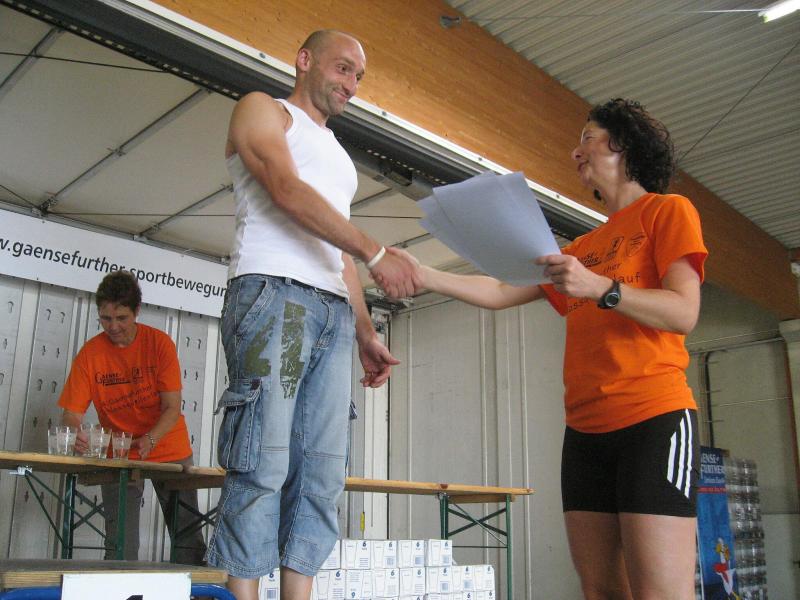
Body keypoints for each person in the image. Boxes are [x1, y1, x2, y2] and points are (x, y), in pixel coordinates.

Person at [392, 99, 707, 600]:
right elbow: (502, 290)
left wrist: (599, 287)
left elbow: (684, 311)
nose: (575, 151)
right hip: (585, 433)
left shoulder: (667, 211)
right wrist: (423, 274)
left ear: (622, 144)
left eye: (587, 137)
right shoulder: (579, 249)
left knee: (661, 593)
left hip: (654, 420)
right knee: (600, 590)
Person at [205, 30, 418, 600]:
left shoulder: (341, 160)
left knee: (322, 472)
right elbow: (284, 189)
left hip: (331, 311)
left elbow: (336, 251)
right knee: (263, 462)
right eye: (343, 68)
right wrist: (377, 252)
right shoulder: (264, 110)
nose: (352, 84)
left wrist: (366, 330)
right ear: (304, 61)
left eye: (359, 77)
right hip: (275, 295)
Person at [59, 269, 206, 565]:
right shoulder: (90, 354)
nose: (113, 327)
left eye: (121, 318)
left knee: (188, 540)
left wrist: (150, 438)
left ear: (137, 311)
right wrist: (77, 434)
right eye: (105, 318)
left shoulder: (159, 344)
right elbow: (70, 415)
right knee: (120, 544)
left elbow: (172, 407)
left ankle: (193, 588)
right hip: (120, 454)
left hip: (168, 447)